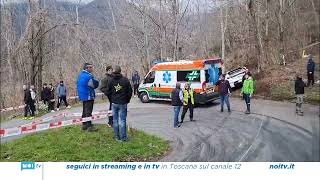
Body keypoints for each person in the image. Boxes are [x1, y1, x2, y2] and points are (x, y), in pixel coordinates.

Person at [106, 65, 132, 142]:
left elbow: (108, 92)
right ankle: (123, 138)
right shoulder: (125, 80)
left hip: (114, 103)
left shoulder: (111, 80)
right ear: (120, 71)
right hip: (123, 102)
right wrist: (127, 100)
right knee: (123, 120)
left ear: (113, 72)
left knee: (115, 120)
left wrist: (112, 99)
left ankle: (117, 137)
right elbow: (130, 92)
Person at [77, 63, 100, 131]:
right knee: (88, 111)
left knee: (84, 110)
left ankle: (84, 125)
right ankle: (89, 126)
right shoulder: (88, 76)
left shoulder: (81, 75)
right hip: (88, 95)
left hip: (83, 95)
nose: (92, 68)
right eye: (91, 67)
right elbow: (94, 85)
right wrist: (96, 82)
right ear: (86, 68)